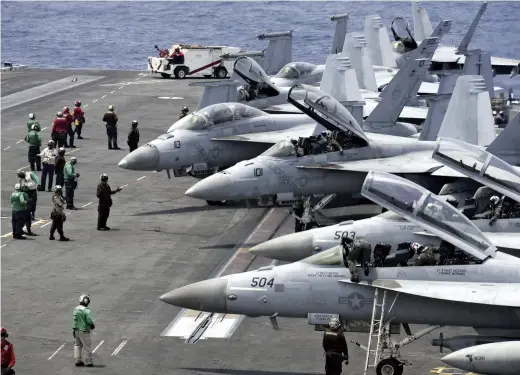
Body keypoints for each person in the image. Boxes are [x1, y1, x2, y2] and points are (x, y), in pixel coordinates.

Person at [72, 294, 95, 367]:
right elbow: (89, 320)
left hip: (76, 330)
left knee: (77, 345)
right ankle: (88, 362)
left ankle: (78, 361)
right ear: (87, 301)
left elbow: (75, 320)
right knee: (87, 346)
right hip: (84, 331)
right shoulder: (86, 311)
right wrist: (92, 324)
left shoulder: (76, 309)